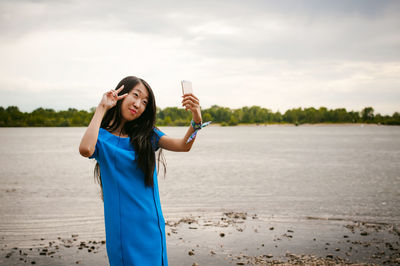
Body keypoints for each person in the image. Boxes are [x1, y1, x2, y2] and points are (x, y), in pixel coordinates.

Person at [78, 76, 205, 266]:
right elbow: (85, 149)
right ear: (120, 95)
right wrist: (102, 108)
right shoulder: (102, 139)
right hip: (123, 229)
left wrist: (196, 121)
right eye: (135, 95)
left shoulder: (147, 135)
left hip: (152, 225)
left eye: (144, 102)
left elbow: (183, 146)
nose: (138, 104)